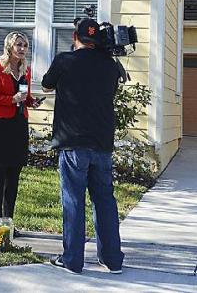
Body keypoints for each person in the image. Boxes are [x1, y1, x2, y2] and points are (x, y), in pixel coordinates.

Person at [41, 16, 124, 275]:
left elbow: (46, 84)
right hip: (102, 144)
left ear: (75, 38)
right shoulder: (111, 66)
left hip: (73, 143)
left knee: (74, 200)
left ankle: (72, 260)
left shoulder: (65, 61)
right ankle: (112, 260)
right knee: (105, 201)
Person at [0, 31, 41, 232]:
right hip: (0, 126)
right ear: (9, 47)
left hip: (18, 125)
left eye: (25, 45)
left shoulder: (25, 70)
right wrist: (10, 100)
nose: (22, 49)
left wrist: (32, 102)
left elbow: (25, 96)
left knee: (14, 174)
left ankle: (9, 223)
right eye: (18, 45)